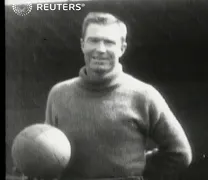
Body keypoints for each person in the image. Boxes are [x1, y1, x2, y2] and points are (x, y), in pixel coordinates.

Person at [17, 12, 192, 180]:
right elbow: (49, 151)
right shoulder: (59, 94)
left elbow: (179, 152)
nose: (100, 49)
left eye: (109, 42)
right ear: (82, 44)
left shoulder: (144, 95)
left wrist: (139, 174)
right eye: (93, 40)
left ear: (122, 48)